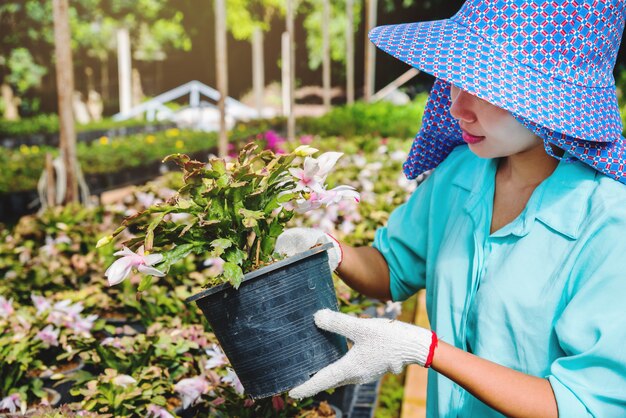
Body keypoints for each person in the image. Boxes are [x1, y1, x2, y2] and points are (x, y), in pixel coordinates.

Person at [275, 0, 626, 416]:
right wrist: (331, 251)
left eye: (484, 85)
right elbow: (394, 269)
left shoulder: (607, 222)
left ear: (555, 99)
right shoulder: (462, 174)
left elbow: (585, 404)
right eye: (457, 79)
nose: (457, 107)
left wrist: (426, 350)